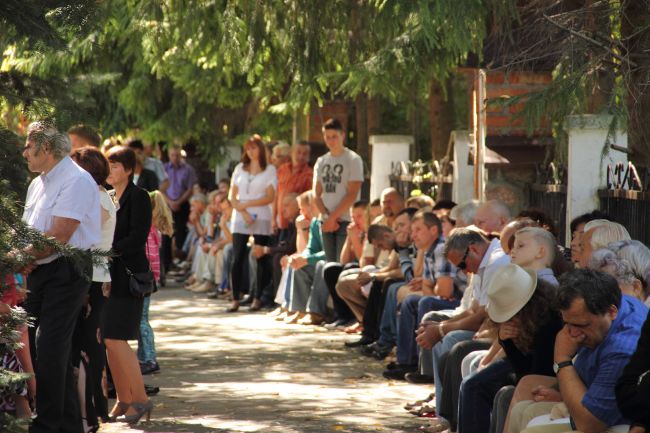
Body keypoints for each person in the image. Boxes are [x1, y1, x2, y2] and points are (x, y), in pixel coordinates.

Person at [19, 121, 100, 433]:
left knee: (50, 345)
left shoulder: (76, 180)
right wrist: (26, 259)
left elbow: (60, 234)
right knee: (46, 349)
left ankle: (48, 425)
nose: (23, 151)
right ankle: (66, 425)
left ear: (47, 148)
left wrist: (20, 257)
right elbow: (32, 232)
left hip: (68, 269)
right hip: (41, 270)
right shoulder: (37, 183)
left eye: (28, 145)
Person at [508, 269, 648, 433]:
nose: (572, 333)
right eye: (567, 323)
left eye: (581, 325)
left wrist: (562, 360)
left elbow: (589, 424)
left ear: (611, 312)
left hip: (620, 424)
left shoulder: (623, 348)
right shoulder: (614, 304)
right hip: (597, 400)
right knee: (522, 411)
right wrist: (563, 394)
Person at [103, 146, 153, 423]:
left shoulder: (139, 197)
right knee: (109, 339)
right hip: (108, 275)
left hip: (129, 275)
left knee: (116, 337)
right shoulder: (108, 197)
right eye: (108, 165)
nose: (110, 171)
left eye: (115, 166)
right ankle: (123, 398)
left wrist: (108, 250)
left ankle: (141, 399)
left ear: (129, 169)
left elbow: (137, 237)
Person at [70, 146, 116, 430]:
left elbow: (84, 236)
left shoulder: (99, 199)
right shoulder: (97, 197)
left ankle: (93, 408)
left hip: (93, 276)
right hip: (89, 273)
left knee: (90, 345)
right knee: (86, 345)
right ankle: (91, 408)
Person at [228, 135, 277, 312]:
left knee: (259, 256)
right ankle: (235, 298)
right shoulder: (240, 168)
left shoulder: (269, 169)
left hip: (261, 215)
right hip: (241, 216)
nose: (250, 151)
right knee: (237, 257)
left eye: (254, 148)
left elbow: (270, 196)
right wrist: (243, 211)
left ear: (261, 149)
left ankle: (257, 297)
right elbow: (231, 196)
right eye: (248, 148)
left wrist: (247, 204)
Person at [314, 118, 364, 262]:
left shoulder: (353, 159)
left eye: (334, 136)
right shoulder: (321, 161)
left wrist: (333, 217)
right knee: (329, 265)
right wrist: (326, 217)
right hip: (325, 221)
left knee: (341, 264)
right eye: (327, 137)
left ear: (342, 135)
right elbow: (316, 194)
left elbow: (352, 193)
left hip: (345, 220)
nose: (331, 140)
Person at [138, 190, 173, 376]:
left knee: (142, 320)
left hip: (144, 278)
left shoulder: (148, 230)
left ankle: (149, 357)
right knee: (141, 319)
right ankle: (143, 356)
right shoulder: (153, 230)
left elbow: (150, 256)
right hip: (149, 278)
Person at [162, 144, 197, 261]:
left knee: (181, 232)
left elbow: (190, 189)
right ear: (169, 155)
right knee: (166, 234)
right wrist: (170, 202)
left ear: (180, 155)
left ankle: (181, 262)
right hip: (166, 205)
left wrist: (178, 202)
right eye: (172, 155)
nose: (175, 157)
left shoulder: (188, 169)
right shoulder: (164, 169)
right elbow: (159, 189)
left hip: (183, 205)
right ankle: (166, 263)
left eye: (177, 155)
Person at [275, 141, 313, 231]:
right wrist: (273, 218)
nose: (301, 156)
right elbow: (277, 194)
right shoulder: (282, 169)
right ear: (292, 152)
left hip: (297, 221)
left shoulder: (310, 174)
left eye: (305, 154)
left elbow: (309, 200)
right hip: (280, 219)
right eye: (298, 152)